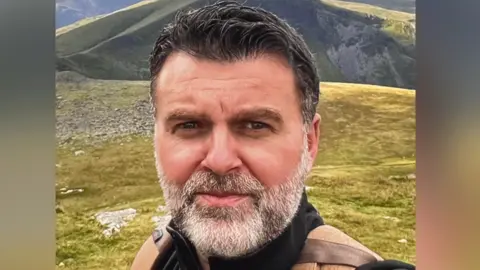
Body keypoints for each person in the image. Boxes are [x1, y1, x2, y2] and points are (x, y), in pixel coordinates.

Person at [131, 1, 415, 270]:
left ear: (309, 141)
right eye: (189, 125)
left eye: (255, 125)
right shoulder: (155, 257)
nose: (219, 160)